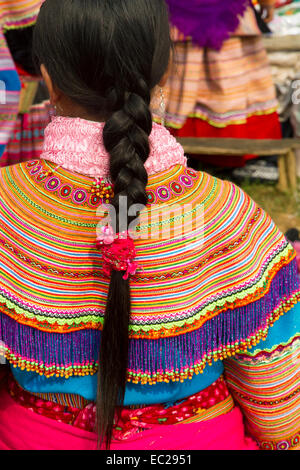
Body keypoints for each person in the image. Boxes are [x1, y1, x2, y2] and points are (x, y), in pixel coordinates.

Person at [0, 0, 299, 451]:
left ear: (48, 78)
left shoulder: (7, 201)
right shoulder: (227, 213)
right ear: (164, 74)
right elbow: (275, 394)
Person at [161, 0, 281, 167]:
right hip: (228, 16)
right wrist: (267, 4)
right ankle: (249, 155)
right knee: (235, 83)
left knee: (182, 87)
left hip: (183, 17)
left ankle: (180, 151)